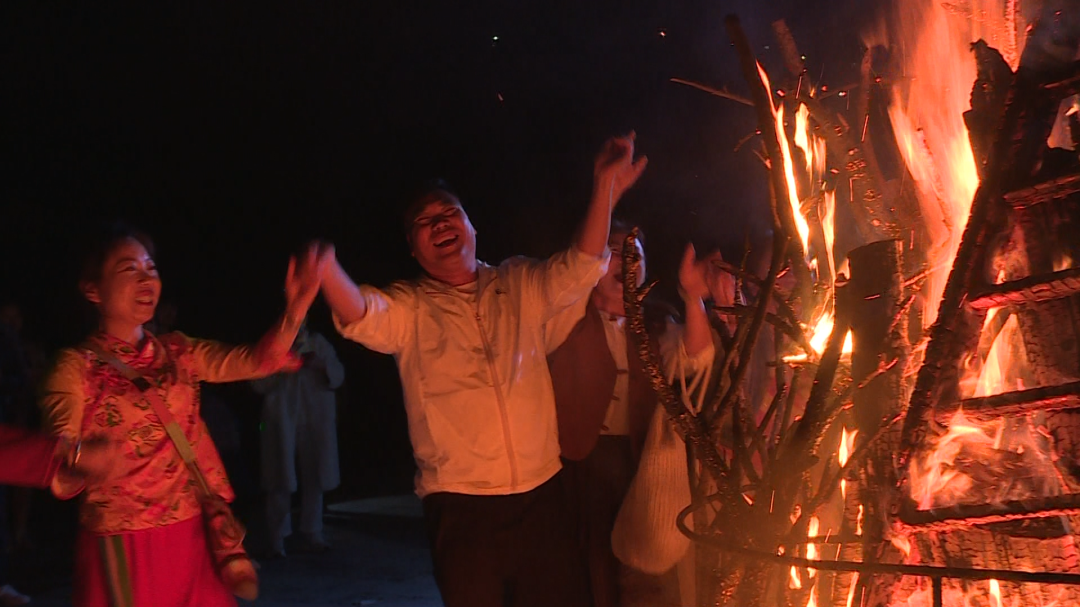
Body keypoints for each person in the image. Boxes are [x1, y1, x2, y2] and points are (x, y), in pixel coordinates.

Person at [307, 133, 647, 606]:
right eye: (424, 221)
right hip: (460, 507)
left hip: (541, 496)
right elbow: (364, 313)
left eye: (449, 213)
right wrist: (326, 272)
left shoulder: (519, 282)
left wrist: (604, 188)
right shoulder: (412, 308)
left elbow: (580, 267)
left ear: (471, 225)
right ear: (413, 248)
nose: (439, 223)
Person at [38, 223, 321, 607]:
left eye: (151, 268)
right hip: (125, 544)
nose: (146, 279)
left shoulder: (178, 351)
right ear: (92, 290)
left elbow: (256, 360)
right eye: (129, 269)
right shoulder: (75, 367)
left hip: (192, 533)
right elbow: (56, 447)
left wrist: (295, 310)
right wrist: (81, 458)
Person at [544, 222, 722, 607]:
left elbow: (695, 357)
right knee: (587, 568)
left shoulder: (656, 323)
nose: (625, 261)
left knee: (642, 567)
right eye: (612, 252)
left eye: (634, 254)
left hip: (638, 460)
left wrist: (693, 298)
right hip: (578, 463)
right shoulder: (564, 318)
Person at [251, 320, 344, 557]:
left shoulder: (318, 344)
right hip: (281, 420)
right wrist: (282, 366)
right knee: (280, 477)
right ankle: (277, 537)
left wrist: (320, 365)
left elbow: (337, 375)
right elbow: (257, 382)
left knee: (316, 474)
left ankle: (312, 532)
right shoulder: (274, 345)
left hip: (315, 419)